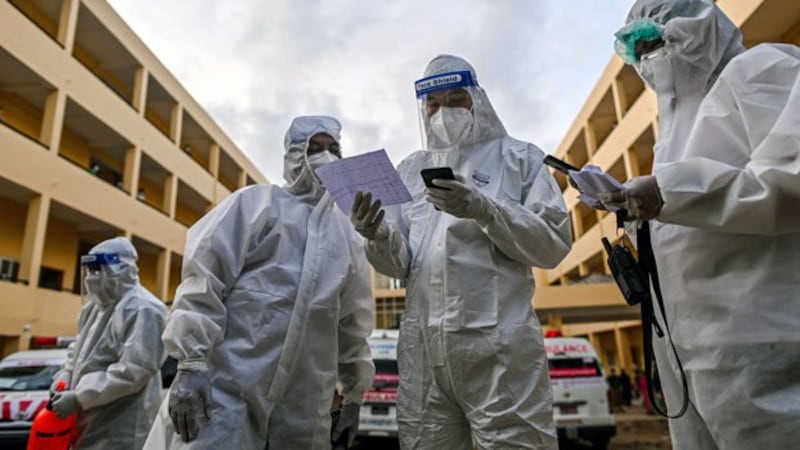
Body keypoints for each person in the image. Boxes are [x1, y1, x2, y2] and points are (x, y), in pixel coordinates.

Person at [597, 1, 800, 448]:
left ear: (699, 26)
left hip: (763, 340)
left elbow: (789, 178)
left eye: (659, 42)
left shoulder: (762, 70)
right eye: (641, 50)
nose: (651, 58)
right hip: (686, 353)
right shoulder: (670, 132)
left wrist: (669, 194)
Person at [351, 54, 572, 449]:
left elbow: (552, 243)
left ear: (477, 99)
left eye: (455, 99)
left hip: (498, 353)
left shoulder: (519, 158)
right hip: (423, 359)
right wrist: (377, 234)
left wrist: (485, 209)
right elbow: (400, 264)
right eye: (433, 104)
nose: (443, 112)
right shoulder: (410, 169)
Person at [144, 115, 375, 450]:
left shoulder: (347, 236)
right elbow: (203, 283)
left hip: (304, 407)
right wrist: (190, 364)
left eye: (332, 149)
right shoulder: (255, 205)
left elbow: (352, 324)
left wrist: (354, 395)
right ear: (294, 156)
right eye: (314, 148)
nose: (325, 156)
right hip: (225, 394)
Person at [49, 237, 168, 449]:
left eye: (98, 269)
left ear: (122, 270)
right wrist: (64, 377)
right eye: (90, 270)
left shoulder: (145, 309)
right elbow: (77, 352)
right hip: (87, 420)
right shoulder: (94, 309)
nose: (91, 277)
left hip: (123, 424)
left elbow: (134, 371)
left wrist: (79, 397)